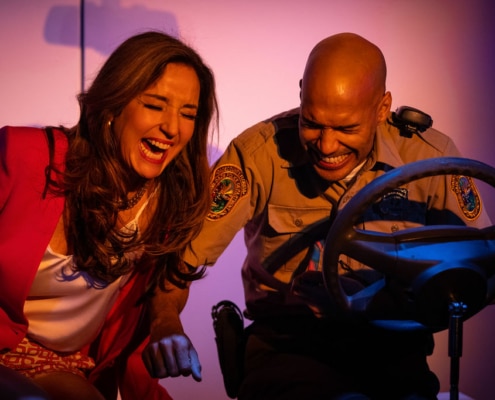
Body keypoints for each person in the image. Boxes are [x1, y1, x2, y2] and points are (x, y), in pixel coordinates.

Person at [163, 32, 491, 399]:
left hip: (394, 350)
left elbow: (479, 273)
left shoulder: (431, 160)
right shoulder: (258, 155)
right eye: (312, 123)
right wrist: (166, 326)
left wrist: (390, 301)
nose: (327, 145)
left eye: (346, 128)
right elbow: (179, 263)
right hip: (286, 348)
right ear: (301, 92)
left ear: (382, 109)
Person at [0, 31, 218, 400]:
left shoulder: (172, 205)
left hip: (63, 363)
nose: (171, 127)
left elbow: (165, 289)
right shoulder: (25, 155)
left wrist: (168, 325)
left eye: (188, 114)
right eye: (155, 104)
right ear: (112, 106)